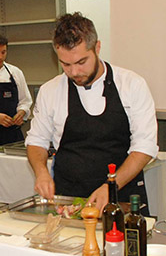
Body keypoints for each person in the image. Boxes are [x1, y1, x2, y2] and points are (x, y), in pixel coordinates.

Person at [25, 12, 158, 212]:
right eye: (66, 64)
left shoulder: (132, 85)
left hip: (121, 196)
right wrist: (41, 171)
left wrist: (110, 186)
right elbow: (37, 140)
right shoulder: (50, 91)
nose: (74, 72)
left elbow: (144, 146)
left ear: (97, 48)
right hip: (69, 199)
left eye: (81, 62)